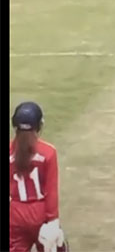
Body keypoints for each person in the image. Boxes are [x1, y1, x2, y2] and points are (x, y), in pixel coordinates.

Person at [9, 101, 67, 252]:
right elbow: (51, 191)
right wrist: (53, 220)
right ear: (39, 126)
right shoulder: (48, 152)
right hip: (41, 214)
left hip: (15, 214)